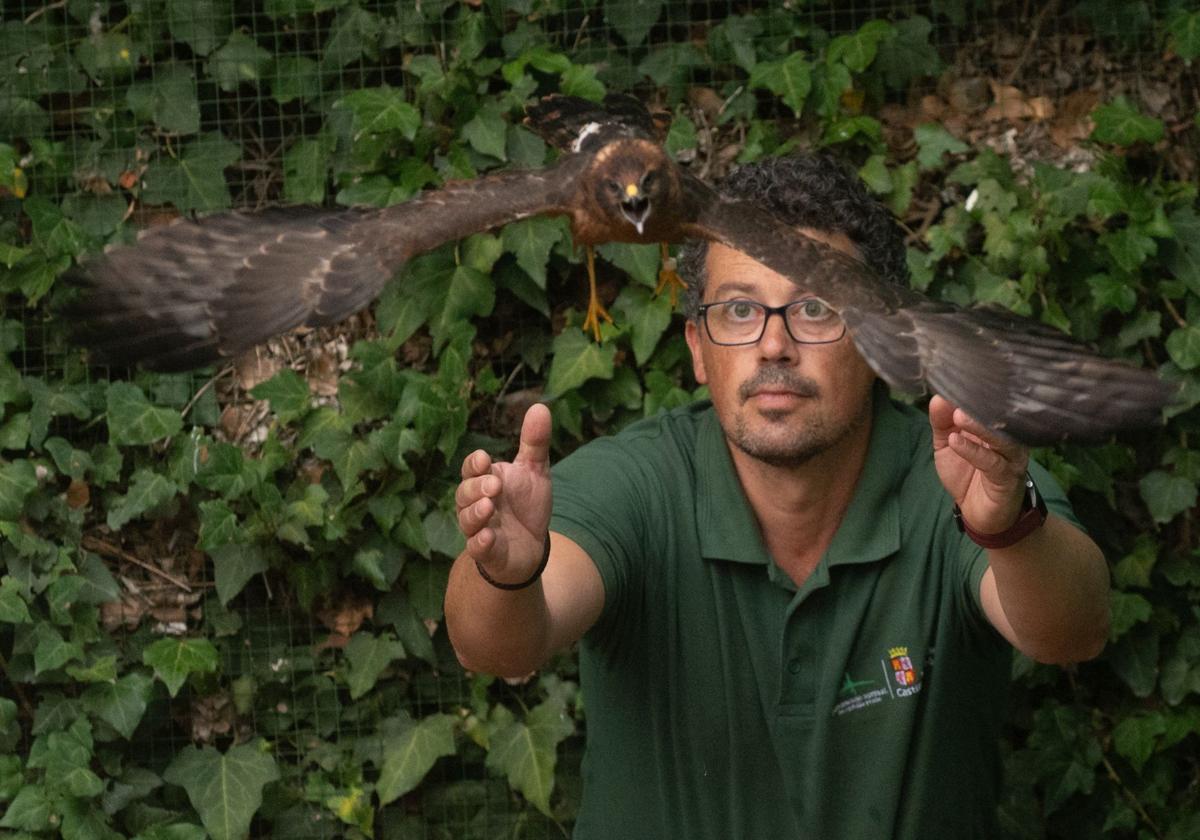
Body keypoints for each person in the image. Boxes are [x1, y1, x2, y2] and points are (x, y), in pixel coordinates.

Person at [444, 154, 1110, 839]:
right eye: (739, 310)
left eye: (817, 308)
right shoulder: (635, 483)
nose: (774, 345)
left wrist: (1008, 531)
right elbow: (496, 650)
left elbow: (1073, 632)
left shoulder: (965, 474)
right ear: (699, 347)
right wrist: (507, 570)